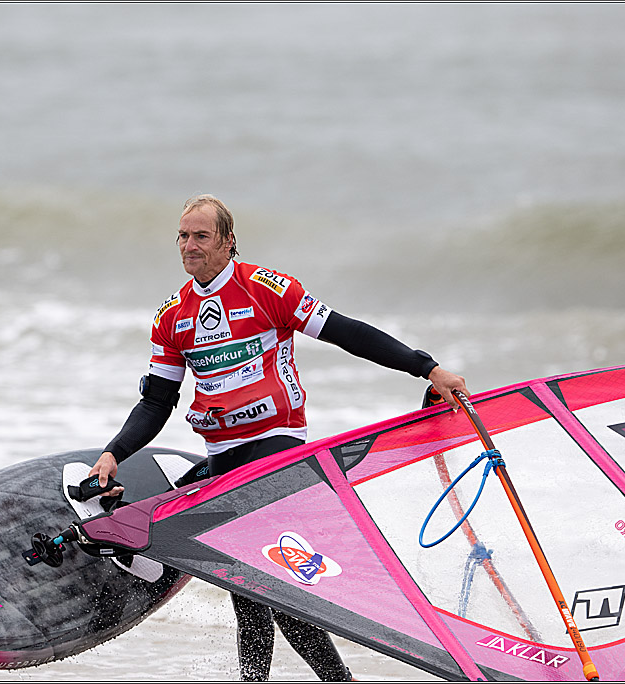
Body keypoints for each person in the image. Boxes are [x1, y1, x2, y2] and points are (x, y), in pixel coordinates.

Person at [89, 194, 469, 681]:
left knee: (274, 581)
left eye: (201, 235)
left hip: (278, 445)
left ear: (228, 241)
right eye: (183, 236)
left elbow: (348, 333)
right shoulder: (171, 318)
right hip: (223, 456)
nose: (189, 245)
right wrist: (114, 452)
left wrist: (426, 368)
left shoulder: (268, 289)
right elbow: (156, 403)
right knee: (245, 587)